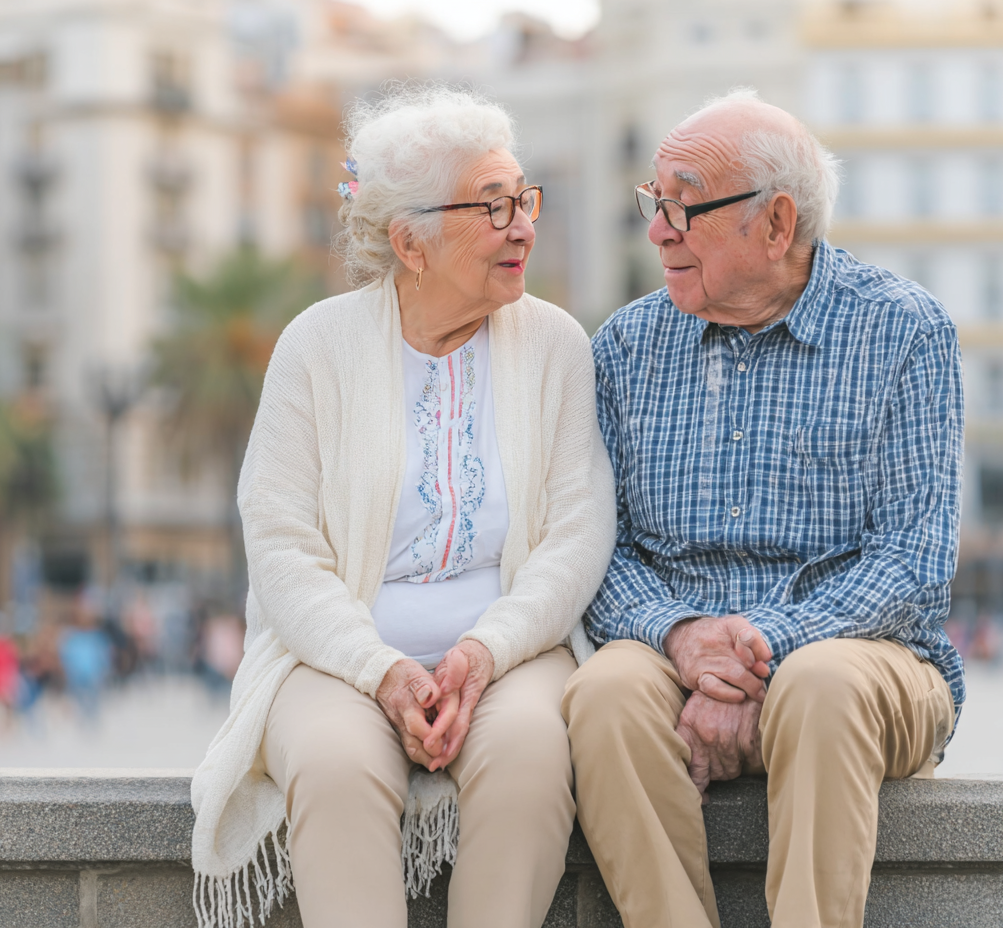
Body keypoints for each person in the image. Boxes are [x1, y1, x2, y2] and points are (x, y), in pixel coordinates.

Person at [190, 84, 616, 928]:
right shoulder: (317, 346)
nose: (524, 225)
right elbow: (279, 546)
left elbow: (579, 530)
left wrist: (482, 654)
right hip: (333, 660)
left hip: (514, 656)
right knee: (336, 765)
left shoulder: (559, 344)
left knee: (534, 755)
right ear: (409, 241)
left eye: (522, 200)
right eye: (493, 208)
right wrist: (381, 671)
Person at [564, 88, 962, 928]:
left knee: (818, 684)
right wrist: (682, 636)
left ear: (777, 224)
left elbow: (912, 562)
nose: (657, 230)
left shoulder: (905, 332)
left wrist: (760, 647)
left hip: (862, 657)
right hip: (679, 643)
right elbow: (597, 545)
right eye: (653, 203)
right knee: (602, 695)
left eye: (682, 207)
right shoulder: (627, 346)